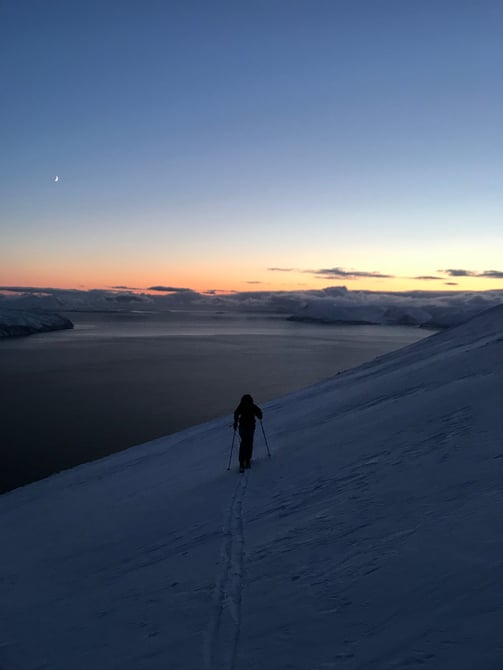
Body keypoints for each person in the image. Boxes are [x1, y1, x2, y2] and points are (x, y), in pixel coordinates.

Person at [233, 394, 263, 472]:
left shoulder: (241, 406)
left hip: (243, 427)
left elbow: (236, 413)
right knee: (249, 442)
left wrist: (235, 423)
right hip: (250, 427)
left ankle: (242, 462)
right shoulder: (252, 406)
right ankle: (248, 459)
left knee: (244, 443)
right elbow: (259, 413)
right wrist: (259, 416)